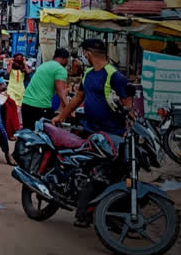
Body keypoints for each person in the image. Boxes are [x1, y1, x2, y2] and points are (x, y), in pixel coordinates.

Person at [52, 38, 133, 227]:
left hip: (111, 135)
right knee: (88, 171)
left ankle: (103, 215)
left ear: (88, 53)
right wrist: (61, 116)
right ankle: (86, 213)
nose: (83, 58)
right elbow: (78, 98)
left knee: (107, 174)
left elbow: (128, 104)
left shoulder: (114, 76)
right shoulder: (88, 74)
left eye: (83, 54)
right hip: (91, 132)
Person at [20, 48, 70, 130]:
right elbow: (61, 93)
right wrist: (69, 110)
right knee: (46, 135)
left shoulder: (44, 65)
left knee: (28, 134)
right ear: (64, 59)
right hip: (40, 107)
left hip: (26, 103)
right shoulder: (60, 70)